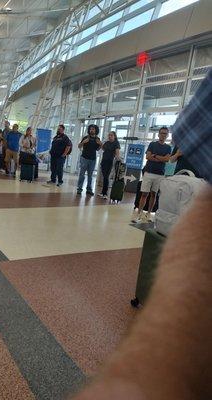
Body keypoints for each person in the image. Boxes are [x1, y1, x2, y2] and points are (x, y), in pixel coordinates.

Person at [73, 69, 212, 400]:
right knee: (147, 193)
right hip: (155, 176)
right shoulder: (134, 145)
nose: (164, 135)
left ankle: (143, 210)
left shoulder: (171, 144)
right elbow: (159, 158)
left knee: (153, 199)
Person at [132, 127, 171, 223]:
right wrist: (159, 158)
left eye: (165, 133)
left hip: (160, 174)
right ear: (158, 134)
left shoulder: (168, 147)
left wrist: (155, 156)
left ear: (167, 135)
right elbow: (148, 156)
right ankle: (139, 214)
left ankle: (149, 213)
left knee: (154, 194)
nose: (163, 135)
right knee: (144, 194)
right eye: (162, 133)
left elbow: (166, 159)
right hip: (149, 172)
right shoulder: (152, 144)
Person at [77, 124, 102, 196]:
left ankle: (89, 189)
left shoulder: (97, 139)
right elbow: (79, 146)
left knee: (90, 175)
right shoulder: (85, 137)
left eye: (93, 129)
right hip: (84, 158)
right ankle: (79, 188)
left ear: (96, 130)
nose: (92, 130)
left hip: (93, 159)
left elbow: (97, 149)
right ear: (89, 130)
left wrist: (100, 145)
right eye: (91, 129)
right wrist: (83, 142)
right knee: (82, 174)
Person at [98, 131, 120, 199]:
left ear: (114, 136)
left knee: (106, 176)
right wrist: (101, 144)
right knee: (104, 176)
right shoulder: (107, 142)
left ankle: (105, 193)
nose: (110, 136)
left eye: (111, 135)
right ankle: (103, 192)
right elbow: (104, 148)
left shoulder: (116, 143)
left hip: (109, 161)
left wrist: (117, 158)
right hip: (104, 160)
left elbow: (117, 152)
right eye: (109, 135)